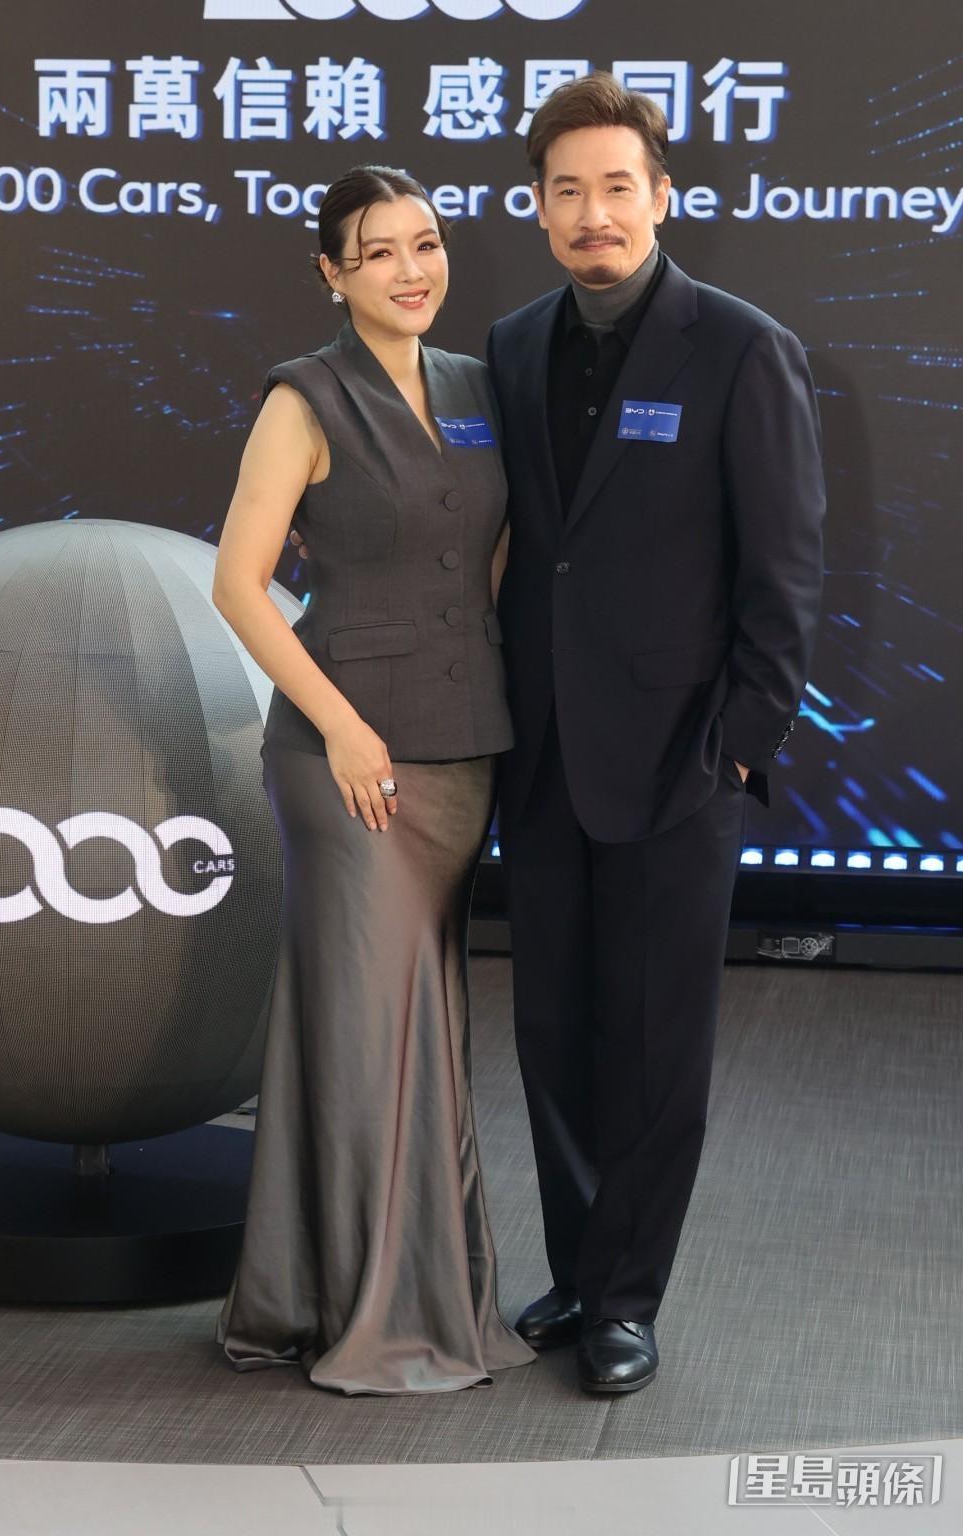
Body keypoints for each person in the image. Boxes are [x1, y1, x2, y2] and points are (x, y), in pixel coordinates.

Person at [487, 75, 826, 1393]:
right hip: (542, 756)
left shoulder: (740, 348)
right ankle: (578, 1271)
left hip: (680, 761)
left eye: (616, 186)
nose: (594, 213)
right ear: (537, 207)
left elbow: (783, 575)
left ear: (661, 197)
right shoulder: (514, 344)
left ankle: (628, 1298)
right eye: (567, 190)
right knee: (553, 1037)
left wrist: (737, 744)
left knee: (654, 1046)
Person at [211, 164, 534, 1396]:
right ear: (331, 273)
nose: (412, 270)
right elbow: (239, 584)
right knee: (370, 1035)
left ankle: (351, 1290)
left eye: (427, 244)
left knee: (418, 1028)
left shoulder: (476, 386)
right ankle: (376, 1310)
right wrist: (341, 726)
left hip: (464, 744)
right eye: (380, 251)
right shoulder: (304, 397)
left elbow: (488, 558)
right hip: (347, 760)